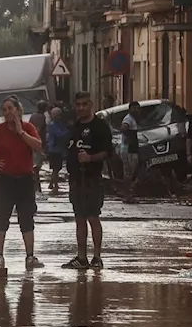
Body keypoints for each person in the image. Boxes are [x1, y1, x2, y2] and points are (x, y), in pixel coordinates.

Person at [0, 97, 45, 271]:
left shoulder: (28, 128)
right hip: (5, 180)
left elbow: (38, 146)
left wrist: (21, 132)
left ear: (18, 110)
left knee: (26, 218)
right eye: (4, 110)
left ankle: (30, 256)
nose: (7, 113)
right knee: (0, 217)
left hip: (25, 180)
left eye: (10, 109)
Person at [63, 92, 114, 270]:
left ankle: (97, 257)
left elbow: (108, 151)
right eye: (78, 105)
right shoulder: (75, 126)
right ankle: (81, 257)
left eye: (84, 104)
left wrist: (91, 158)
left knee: (93, 217)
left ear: (91, 104)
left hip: (92, 178)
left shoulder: (99, 126)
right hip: (76, 180)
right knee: (79, 218)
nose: (81, 108)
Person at [119, 101, 142, 201]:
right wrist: (128, 138)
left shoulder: (133, 119)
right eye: (134, 108)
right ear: (130, 109)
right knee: (128, 173)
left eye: (137, 108)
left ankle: (128, 193)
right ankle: (127, 194)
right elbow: (124, 127)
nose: (136, 110)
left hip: (132, 150)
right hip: (128, 150)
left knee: (130, 173)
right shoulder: (128, 119)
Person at [46, 107, 68, 194]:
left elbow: (64, 130)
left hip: (59, 149)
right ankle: (55, 184)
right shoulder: (52, 125)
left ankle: (52, 183)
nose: (60, 117)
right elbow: (59, 134)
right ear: (54, 116)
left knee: (57, 168)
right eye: (58, 115)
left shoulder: (60, 124)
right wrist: (66, 134)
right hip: (54, 149)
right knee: (55, 168)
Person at [28, 101, 49, 192]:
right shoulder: (41, 117)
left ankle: (36, 186)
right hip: (38, 143)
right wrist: (40, 146)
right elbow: (38, 130)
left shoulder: (33, 116)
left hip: (32, 142)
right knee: (36, 166)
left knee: (35, 165)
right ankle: (36, 187)